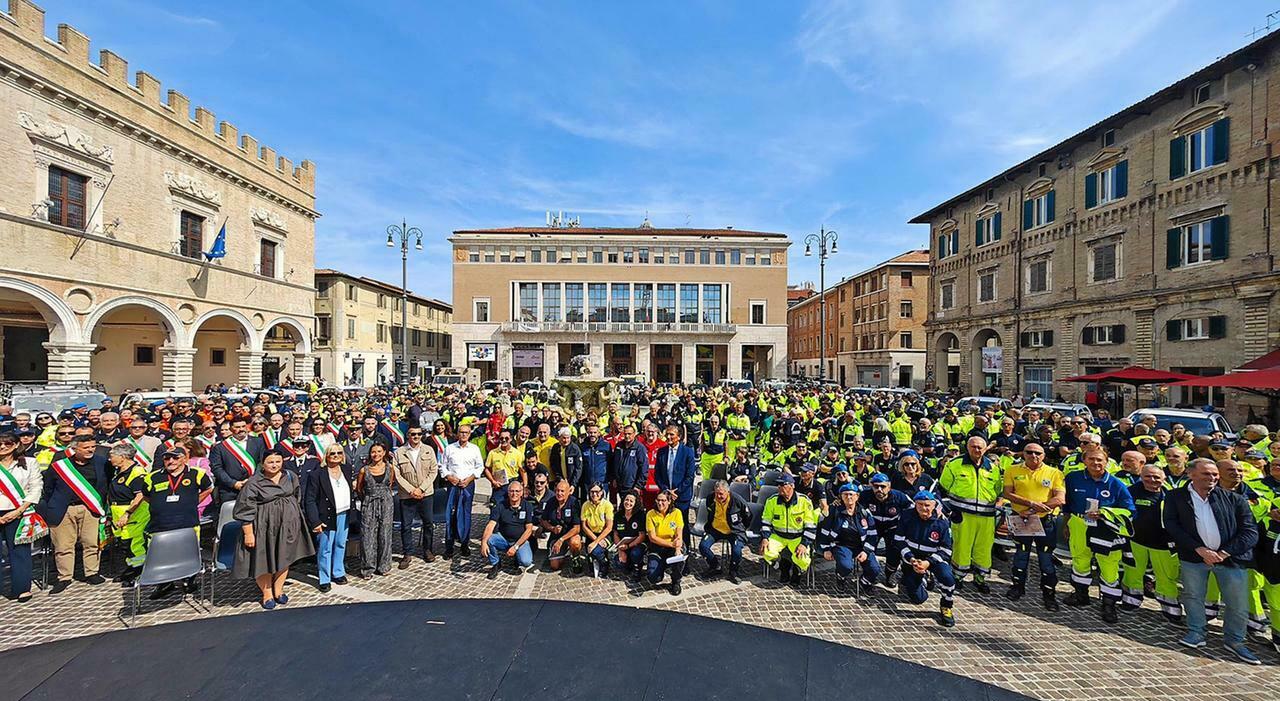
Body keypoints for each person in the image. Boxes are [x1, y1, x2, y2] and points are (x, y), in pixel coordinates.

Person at [1163, 458, 1261, 664]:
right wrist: (1198, 549)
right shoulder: (1176, 497)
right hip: (1193, 557)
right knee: (1192, 596)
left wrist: (1224, 553)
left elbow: (1250, 531)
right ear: (1191, 474)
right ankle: (1196, 632)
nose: (1213, 477)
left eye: (1215, 474)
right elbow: (1172, 525)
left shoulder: (1234, 499)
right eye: (1207, 474)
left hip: (1230, 560)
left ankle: (1235, 641)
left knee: (1237, 603)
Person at [233, 452, 315, 609]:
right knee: (264, 560)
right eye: (270, 462)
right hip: (264, 528)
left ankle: (279, 589)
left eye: (278, 461)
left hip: (288, 526)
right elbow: (244, 510)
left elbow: (296, 496)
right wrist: (248, 533)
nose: (274, 465)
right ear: (262, 464)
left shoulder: (290, 476)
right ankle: (267, 593)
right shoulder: (253, 482)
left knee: (285, 557)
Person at [1063, 446, 1136, 623]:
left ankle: (1109, 603)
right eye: (1091, 459)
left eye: (1099, 460)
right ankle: (1081, 594)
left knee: (1109, 565)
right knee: (1080, 559)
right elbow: (1067, 504)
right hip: (1079, 523)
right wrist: (1066, 524)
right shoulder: (1073, 478)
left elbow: (1130, 510)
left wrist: (1106, 513)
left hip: (1106, 528)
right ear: (1084, 460)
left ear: (1106, 462)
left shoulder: (1116, 484)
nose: (1095, 463)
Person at [140, 447, 214, 599]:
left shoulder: (196, 474)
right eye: (167, 458)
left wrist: (193, 502)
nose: (170, 461)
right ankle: (165, 583)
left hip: (188, 523)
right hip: (160, 525)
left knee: (188, 553)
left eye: (175, 457)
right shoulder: (152, 477)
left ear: (184, 458)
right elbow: (146, 496)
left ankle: (189, 581)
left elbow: (209, 488)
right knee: (162, 556)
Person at [39, 435, 109, 593]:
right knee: (63, 545)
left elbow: (106, 482)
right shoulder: (59, 466)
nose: (91, 450)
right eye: (86, 447)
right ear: (75, 448)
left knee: (91, 542)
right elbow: (48, 488)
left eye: (93, 446)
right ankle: (64, 577)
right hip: (63, 509)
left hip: (89, 507)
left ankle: (91, 572)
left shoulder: (101, 462)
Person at [1001, 441, 1064, 610]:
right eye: (1029, 452)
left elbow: (1060, 498)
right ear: (1023, 453)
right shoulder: (1012, 470)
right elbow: (1007, 493)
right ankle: (1017, 587)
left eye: (1038, 453)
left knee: (1045, 559)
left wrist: (1037, 508)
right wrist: (1030, 504)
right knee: (1021, 554)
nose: (1033, 455)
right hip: (1021, 518)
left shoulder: (1054, 472)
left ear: (1044, 455)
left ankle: (1049, 594)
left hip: (1045, 521)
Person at [937, 435, 1001, 593]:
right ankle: (958, 576)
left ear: (985, 448)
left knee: (984, 548)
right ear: (967, 447)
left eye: (980, 447)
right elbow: (944, 486)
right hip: (963, 514)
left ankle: (980, 577)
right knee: (961, 546)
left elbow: (998, 490)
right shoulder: (955, 464)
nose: (977, 450)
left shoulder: (992, 468)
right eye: (974, 447)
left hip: (986, 516)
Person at [1121, 464, 1181, 622]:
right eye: (1147, 476)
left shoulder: (1173, 495)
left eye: (1156, 477)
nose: (1152, 480)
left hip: (1164, 544)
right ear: (1141, 476)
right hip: (1136, 540)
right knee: (1132, 572)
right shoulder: (1130, 491)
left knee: (1167, 577)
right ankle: (1130, 601)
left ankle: (1170, 609)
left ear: (1164, 479)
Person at [896, 490, 957, 627]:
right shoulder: (907, 517)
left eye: (927, 505)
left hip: (933, 559)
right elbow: (898, 540)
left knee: (948, 578)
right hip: (913, 559)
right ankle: (920, 579)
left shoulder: (942, 523)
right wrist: (911, 559)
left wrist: (928, 563)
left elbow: (946, 549)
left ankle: (946, 606)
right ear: (915, 505)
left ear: (934, 505)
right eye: (920, 505)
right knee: (918, 599)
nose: (924, 508)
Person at [303, 444, 355, 593]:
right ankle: (324, 578)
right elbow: (310, 500)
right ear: (326, 455)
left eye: (339, 453)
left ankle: (338, 572)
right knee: (325, 548)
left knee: (340, 544)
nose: (336, 455)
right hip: (326, 516)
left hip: (344, 513)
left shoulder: (346, 469)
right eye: (332, 453)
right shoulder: (317, 474)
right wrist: (315, 521)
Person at [0, 430, 42, 602]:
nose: (2, 447)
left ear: (16, 444)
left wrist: (18, 511)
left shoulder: (29, 463)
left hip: (19, 511)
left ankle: (22, 588)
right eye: (0, 444)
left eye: (7, 443)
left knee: (20, 551)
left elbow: (36, 487)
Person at [818, 482, 882, 589]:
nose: (849, 497)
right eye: (845, 494)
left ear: (857, 496)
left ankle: (864, 582)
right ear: (841, 497)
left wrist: (866, 551)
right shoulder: (834, 511)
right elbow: (824, 531)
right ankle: (841, 576)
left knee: (874, 569)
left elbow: (872, 534)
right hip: (842, 545)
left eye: (852, 494)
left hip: (861, 546)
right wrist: (825, 549)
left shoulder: (864, 512)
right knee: (846, 566)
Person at [105, 442, 150, 586]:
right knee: (125, 546)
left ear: (123, 457)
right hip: (119, 514)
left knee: (134, 545)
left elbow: (140, 496)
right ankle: (131, 568)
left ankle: (139, 572)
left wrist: (127, 514)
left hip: (134, 516)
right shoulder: (119, 471)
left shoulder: (136, 472)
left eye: (112, 456)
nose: (109, 459)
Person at [760, 473, 817, 585]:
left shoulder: (804, 501)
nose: (780, 488)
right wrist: (765, 538)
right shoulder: (772, 501)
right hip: (778, 536)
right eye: (778, 485)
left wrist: (804, 544)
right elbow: (765, 522)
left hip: (797, 537)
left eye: (783, 485)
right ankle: (783, 567)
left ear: (792, 486)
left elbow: (811, 527)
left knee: (803, 560)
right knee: (766, 551)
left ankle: (797, 570)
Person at [393, 429, 439, 567]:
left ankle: (427, 550)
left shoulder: (428, 450)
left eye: (419, 434)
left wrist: (421, 488)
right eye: (413, 434)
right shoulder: (399, 452)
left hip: (425, 493)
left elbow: (433, 470)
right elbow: (397, 474)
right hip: (407, 495)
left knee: (428, 524)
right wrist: (411, 490)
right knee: (406, 526)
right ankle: (407, 553)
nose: (416, 437)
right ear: (408, 435)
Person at [441, 422, 484, 557]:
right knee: (451, 514)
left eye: (466, 432)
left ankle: (464, 543)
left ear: (470, 434)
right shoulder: (449, 448)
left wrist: (470, 479)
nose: (463, 435)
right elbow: (442, 466)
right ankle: (449, 545)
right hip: (453, 484)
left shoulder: (474, 449)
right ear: (457, 433)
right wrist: (449, 476)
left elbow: (479, 467)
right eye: (461, 432)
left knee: (465, 514)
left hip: (467, 485)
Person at [355, 441, 396, 577]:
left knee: (385, 534)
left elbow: (390, 484)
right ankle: (367, 568)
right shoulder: (364, 470)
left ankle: (384, 566)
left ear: (384, 453)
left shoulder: (390, 468)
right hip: (369, 502)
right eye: (373, 452)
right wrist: (366, 500)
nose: (376, 454)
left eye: (379, 451)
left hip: (386, 503)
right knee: (368, 536)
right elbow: (359, 489)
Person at [654, 424, 697, 550]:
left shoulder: (687, 452)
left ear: (679, 436)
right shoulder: (662, 452)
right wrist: (666, 491)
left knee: (681, 526)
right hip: (666, 497)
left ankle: (685, 553)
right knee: (667, 526)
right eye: (667, 434)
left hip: (681, 497)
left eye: (671, 434)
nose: (668, 437)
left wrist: (676, 491)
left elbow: (689, 476)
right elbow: (657, 474)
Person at [481, 479, 535, 577]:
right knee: (489, 539)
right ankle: (496, 563)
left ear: (522, 492)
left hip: (520, 541)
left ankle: (517, 558)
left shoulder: (527, 506)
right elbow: (491, 525)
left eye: (517, 491)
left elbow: (529, 529)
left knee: (526, 562)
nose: (514, 494)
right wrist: (483, 542)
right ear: (508, 492)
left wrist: (516, 547)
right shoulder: (500, 505)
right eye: (512, 491)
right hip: (504, 539)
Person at [699, 480, 749, 584]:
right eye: (716, 493)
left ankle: (733, 571)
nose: (718, 496)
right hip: (715, 529)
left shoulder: (737, 500)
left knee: (736, 550)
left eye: (721, 493)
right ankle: (715, 566)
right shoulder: (710, 498)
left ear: (728, 492)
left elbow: (748, 515)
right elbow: (709, 512)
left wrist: (741, 527)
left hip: (733, 531)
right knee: (703, 546)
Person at [210, 418, 267, 504]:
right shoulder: (220, 447)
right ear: (231, 429)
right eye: (237, 427)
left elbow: (262, 462)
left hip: (254, 486)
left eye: (243, 426)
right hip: (229, 490)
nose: (241, 429)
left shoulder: (258, 442)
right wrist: (233, 483)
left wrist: (252, 480)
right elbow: (216, 468)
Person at [645, 489, 685, 595]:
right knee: (653, 578)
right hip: (657, 547)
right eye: (658, 500)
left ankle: (676, 581)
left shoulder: (677, 513)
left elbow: (679, 533)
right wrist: (670, 544)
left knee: (679, 558)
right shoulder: (650, 514)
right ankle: (661, 567)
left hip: (673, 546)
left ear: (669, 501)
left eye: (663, 500)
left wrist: (677, 548)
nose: (660, 503)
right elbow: (652, 537)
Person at [540, 478, 583, 572]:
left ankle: (576, 558)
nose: (559, 493)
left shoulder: (574, 503)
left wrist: (562, 539)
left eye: (562, 491)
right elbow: (543, 520)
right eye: (557, 491)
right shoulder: (551, 502)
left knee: (575, 542)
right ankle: (563, 553)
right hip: (556, 535)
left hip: (570, 535)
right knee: (554, 566)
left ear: (568, 492)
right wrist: (552, 528)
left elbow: (577, 528)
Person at [580, 482, 614, 577]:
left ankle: (605, 564)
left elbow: (609, 527)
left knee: (596, 551)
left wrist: (596, 542)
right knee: (590, 559)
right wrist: (596, 540)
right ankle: (599, 557)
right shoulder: (585, 505)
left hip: (605, 534)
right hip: (592, 534)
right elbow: (584, 526)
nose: (594, 494)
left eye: (597, 491)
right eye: (592, 492)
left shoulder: (607, 505)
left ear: (602, 492)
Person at [612, 489, 648, 578]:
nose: (628, 503)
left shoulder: (640, 515)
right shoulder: (618, 515)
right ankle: (629, 564)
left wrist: (628, 546)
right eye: (626, 500)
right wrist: (620, 549)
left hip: (637, 543)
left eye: (631, 501)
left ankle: (638, 568)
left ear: (636, 503)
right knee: (618, 563)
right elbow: (615, 533)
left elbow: (642, 536)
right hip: (623, 544)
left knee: (635, 554)